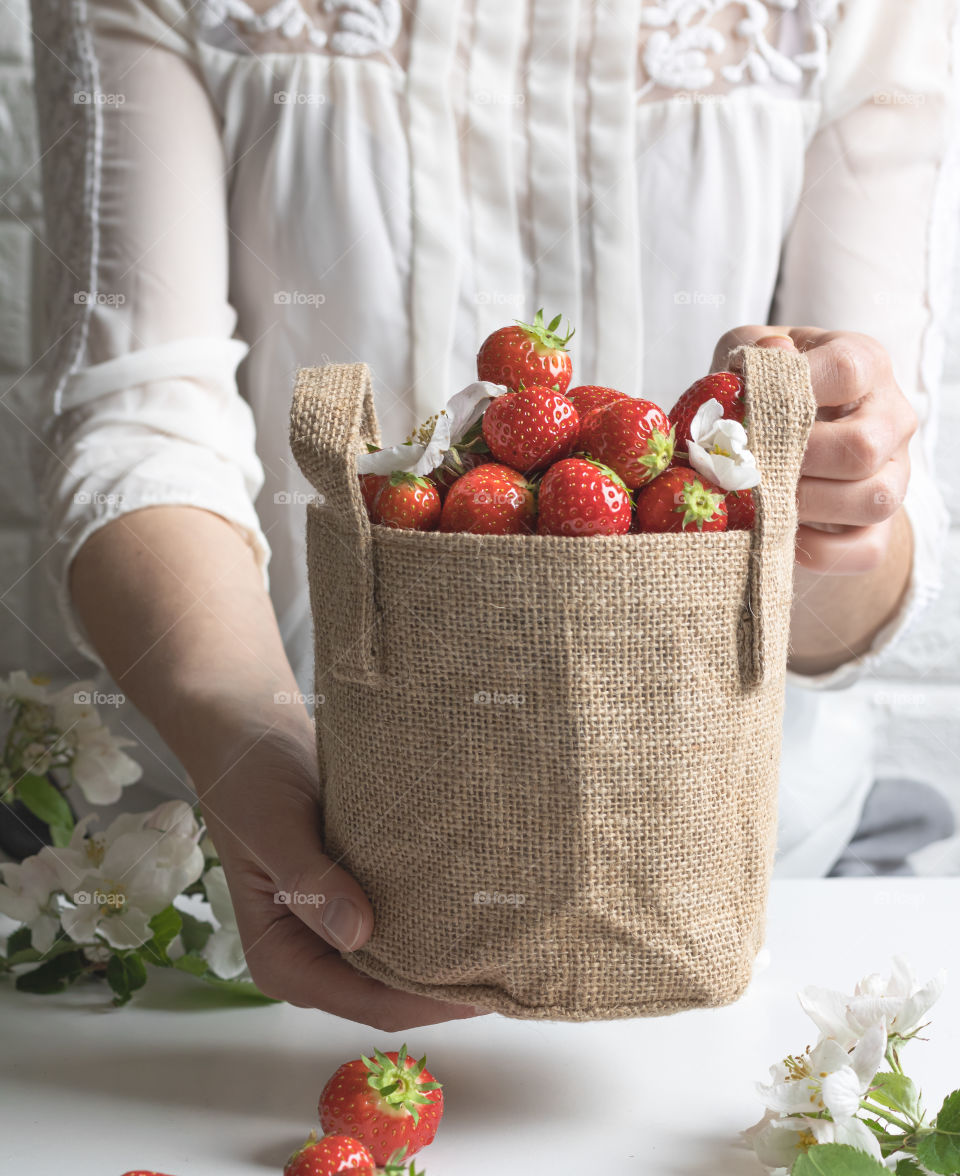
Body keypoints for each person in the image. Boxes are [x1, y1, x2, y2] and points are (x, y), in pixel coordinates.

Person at [28, 0, 958, 1028]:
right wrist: (250, 747)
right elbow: (139, 422)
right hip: (279, 857)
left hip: (762, 897)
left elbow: (848, 594)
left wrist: (834, 495)